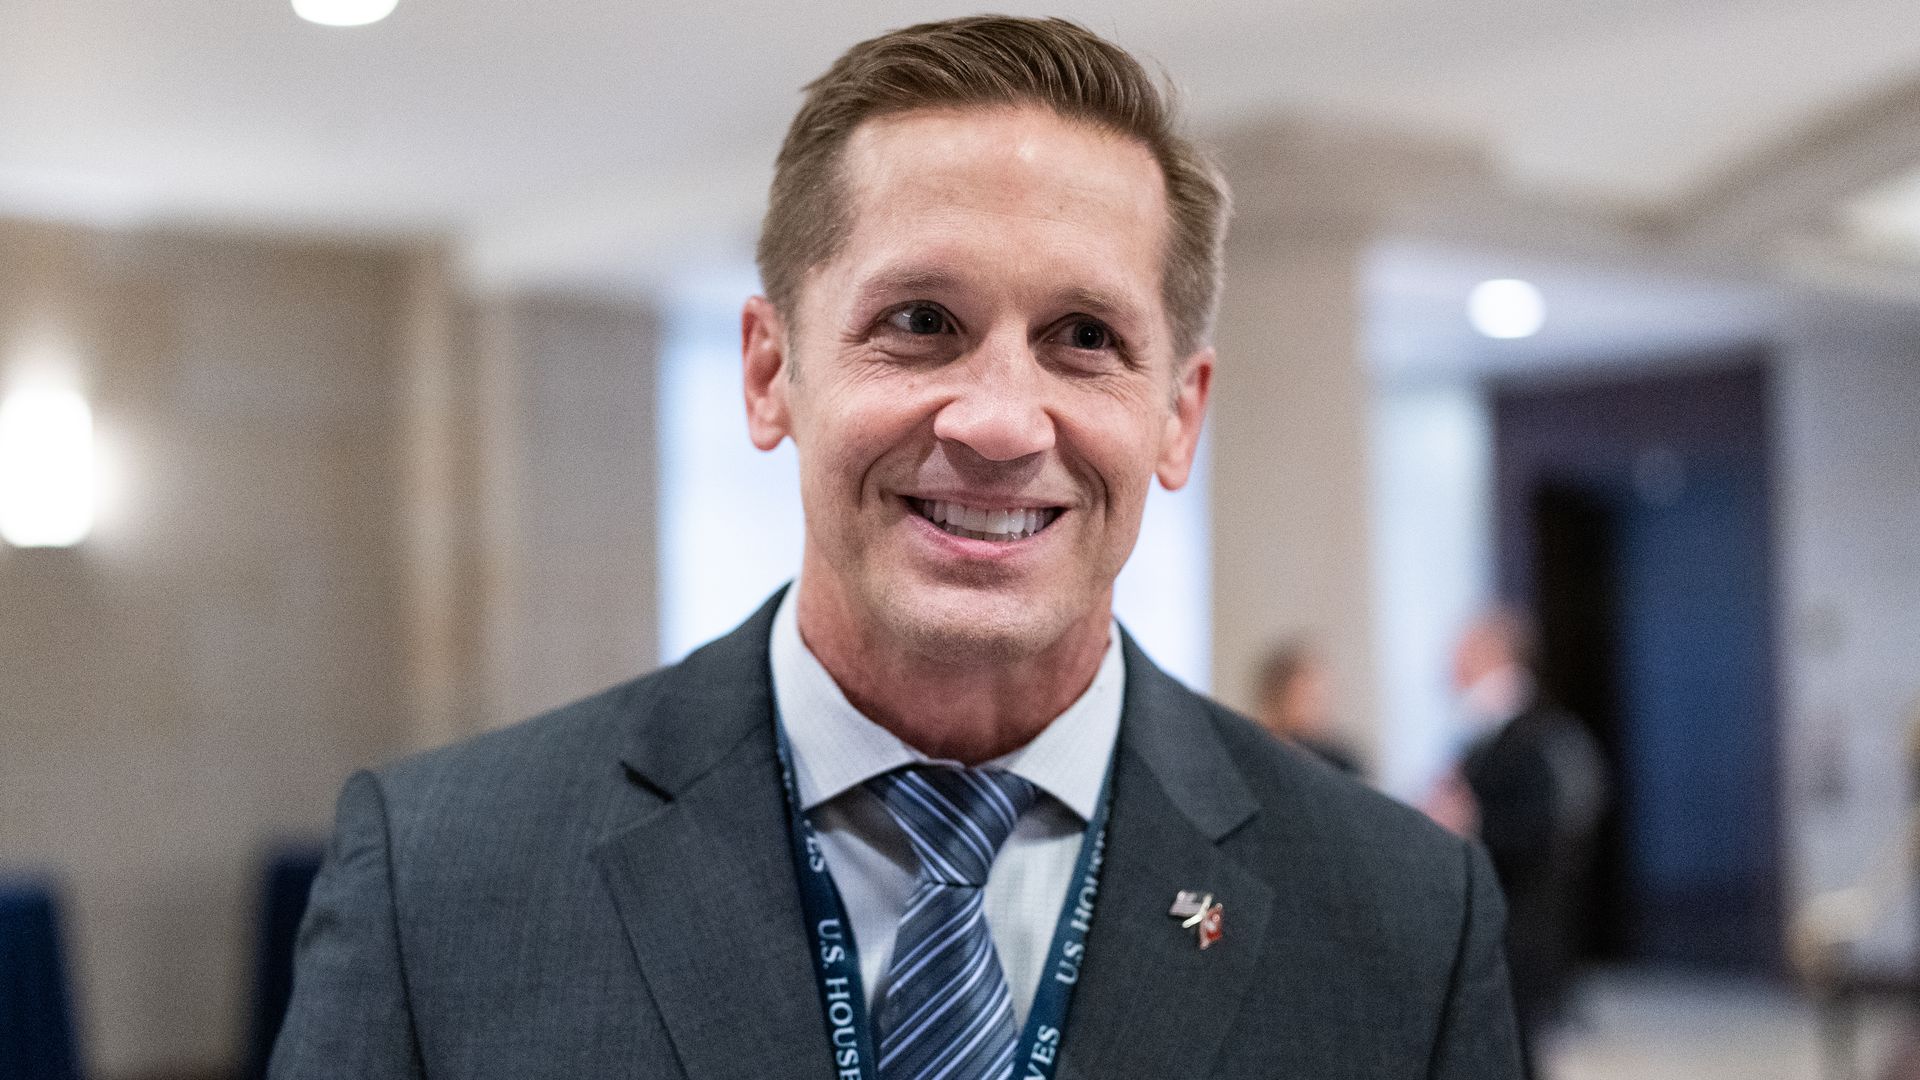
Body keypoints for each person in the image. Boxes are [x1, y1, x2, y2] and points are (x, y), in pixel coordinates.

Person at [270, 16, 1523, 1079]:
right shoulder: (440, 882)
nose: (996, 422)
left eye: (1084, 335)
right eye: (921, 321)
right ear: (771, 372)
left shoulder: (1402, 918)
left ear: (1178, 415)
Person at [1440, 609, 1608, 1080]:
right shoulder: (1483, 733)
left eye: (1464, 651)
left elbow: (1547, 828)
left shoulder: (1539, 733)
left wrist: (1471, 821)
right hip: (1497, 912)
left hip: (1523, 916)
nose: (1450, 663)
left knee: (1516, 1045)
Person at [1253, 640, 1362, 774]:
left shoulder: (1341, 761)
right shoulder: (1256, 753)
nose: (1319, 708)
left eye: (1321, 698)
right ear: (1276, 697)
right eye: (1309, 698)